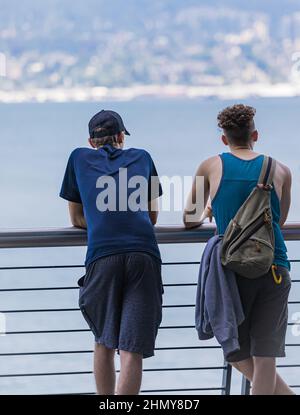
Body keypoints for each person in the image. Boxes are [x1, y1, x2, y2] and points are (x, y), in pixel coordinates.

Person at [184, 104, 294, 395]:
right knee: (266, 354)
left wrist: (211, 208)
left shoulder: (210, 166)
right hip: (274, 269)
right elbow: (278, 222)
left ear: (224, 139)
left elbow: (188, 217)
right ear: (255, 134)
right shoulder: (281, 170)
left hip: (233, 271)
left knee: (235, 351)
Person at [59, 110, 163, 395]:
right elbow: (152, 215)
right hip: (143, 254)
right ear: (120, 137)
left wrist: (100, 219)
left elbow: (76, 218)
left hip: (103, 255)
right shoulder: (143, 157)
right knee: (132, 347)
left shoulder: (78, 158)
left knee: (104, 341)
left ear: (91, 141)